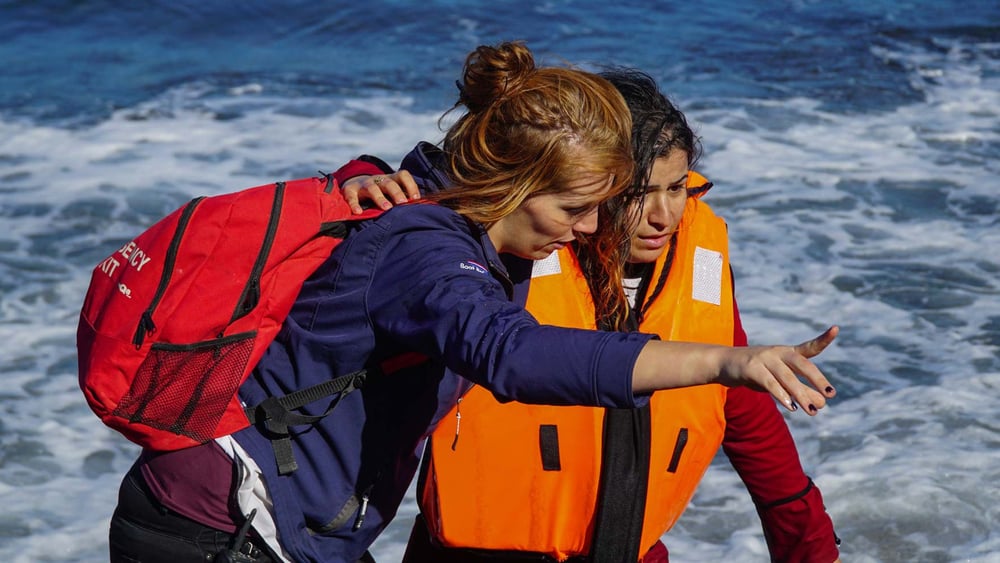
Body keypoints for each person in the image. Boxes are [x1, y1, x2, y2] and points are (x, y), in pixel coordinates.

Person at [107, 43, 837, 563]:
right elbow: (513, 355)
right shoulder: (429, 251)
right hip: (217, 529)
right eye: (580, 206)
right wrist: (726, 359)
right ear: (517, 183)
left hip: (281, 525)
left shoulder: (434, 205)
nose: (591, 228)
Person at [345, 70, 842, 562]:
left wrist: (805, 538)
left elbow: (737, 403)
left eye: (676, 188)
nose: (664, 216)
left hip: (634, 550)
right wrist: (360, 180)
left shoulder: (696, 260)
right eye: (637, 194)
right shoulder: (510, 242)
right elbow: (410, 221)